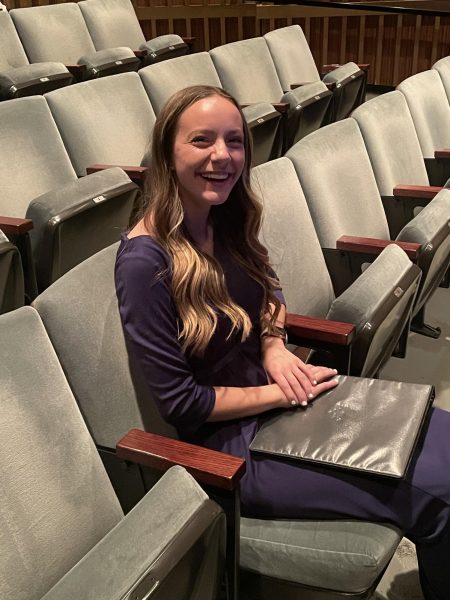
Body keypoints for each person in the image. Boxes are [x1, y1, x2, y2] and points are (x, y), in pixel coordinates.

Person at [115, 85, 450, 599]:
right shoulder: (146, 262)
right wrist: (286, 392)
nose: (221, 157)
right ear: (166, 153)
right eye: (201, 140)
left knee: (445, 437)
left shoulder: (224, 216)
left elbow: (268, 289)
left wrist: (273, 347)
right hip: (232, 449)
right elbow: (181, 402)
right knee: (438, 492)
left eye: (234, 141)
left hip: (283, 397)